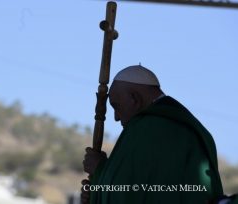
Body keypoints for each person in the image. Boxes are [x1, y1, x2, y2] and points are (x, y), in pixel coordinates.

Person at [81, 65, 224, 204]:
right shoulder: (189, 126)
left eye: (116, 106)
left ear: (135, 99)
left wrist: (99, 170)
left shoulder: (148, 128)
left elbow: (130, 191)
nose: (116, 117)